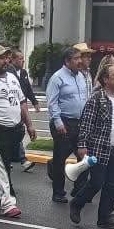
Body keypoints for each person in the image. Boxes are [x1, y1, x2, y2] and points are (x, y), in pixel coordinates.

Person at [0, 44, 36, 219]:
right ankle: (8, 203)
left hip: (15, 130)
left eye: (7, 57)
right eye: (1, 57)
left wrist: (29, 124)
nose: (6, 61)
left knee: (3, 165)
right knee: (2, 167)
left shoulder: (12, 77)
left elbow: (22, 101)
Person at [69, 59, 114, 229]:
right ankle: (77, 204)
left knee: (113, 183)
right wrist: (82, 145)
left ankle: (104, 217)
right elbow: (86, 123)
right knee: (96, 182)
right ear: (105, 80)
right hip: (98, 148)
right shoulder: (96, 98)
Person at [45, 45, 90, 204]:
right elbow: (52, 103)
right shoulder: (57, 78)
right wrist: (58, 122)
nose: (80, 61)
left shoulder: (81, 77)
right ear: (67, 61)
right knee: (60, 159)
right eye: (76, 58)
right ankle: (58, 192)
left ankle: (79, 188)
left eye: (80, 58)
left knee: (84, 157)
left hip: (81, 123)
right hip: (63, 122)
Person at [10, 47, 39, 173]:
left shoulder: (23, 73)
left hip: (22, 106)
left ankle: (16, 158)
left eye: (23, 59)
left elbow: (28, 89)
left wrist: (35, 102)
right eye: (20, 59)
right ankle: (22, 159)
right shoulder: (8, 73)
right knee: (15, 132)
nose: (23, 61)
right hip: (12, 106)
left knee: (18, 131)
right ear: (13, 60)